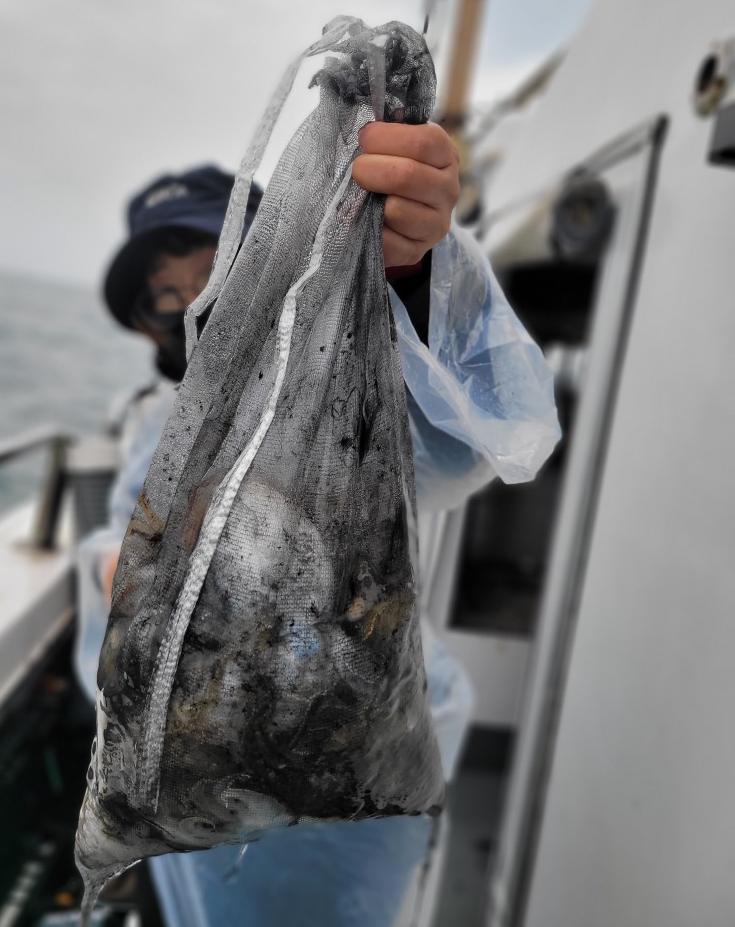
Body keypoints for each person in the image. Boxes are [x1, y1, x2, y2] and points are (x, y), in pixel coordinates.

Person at [75, 118, 559, 926]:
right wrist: (109, 566)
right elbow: (122, 523)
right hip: (191, 782)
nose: (194, 301)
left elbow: (455, 444)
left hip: (350, 770)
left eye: (214, 266)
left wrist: (410, 272)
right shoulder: (165, 418)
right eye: (166, 292)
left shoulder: (337, 385)